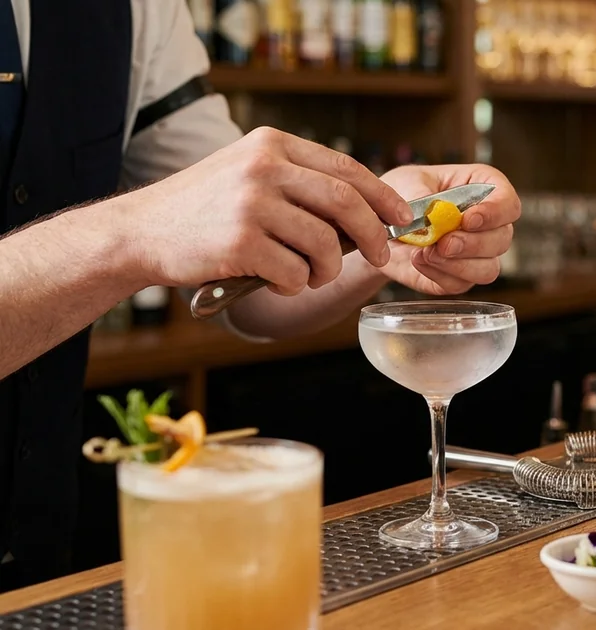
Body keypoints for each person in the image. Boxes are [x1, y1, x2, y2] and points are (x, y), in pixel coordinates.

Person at [0, 1, 519, 588]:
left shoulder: (140, 10)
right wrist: (134, 231)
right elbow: (160, 223)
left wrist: (379, 228)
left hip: (43, 551)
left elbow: (251, 287)